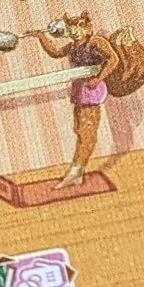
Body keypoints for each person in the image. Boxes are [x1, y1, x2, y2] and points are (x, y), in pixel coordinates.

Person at [28, 12, 119, 188]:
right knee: (79, 129)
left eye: (78, 29)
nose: (74, 33)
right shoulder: (72, 46)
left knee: (86, 131)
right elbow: (55, 53)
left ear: (86, 28)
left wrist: (98, 78)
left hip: (91, 89)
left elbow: (113, 59)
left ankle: (77, 170)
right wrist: (41, 37)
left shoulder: (96, 42)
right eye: (71, 29)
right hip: (79, 90)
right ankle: (77, 170)